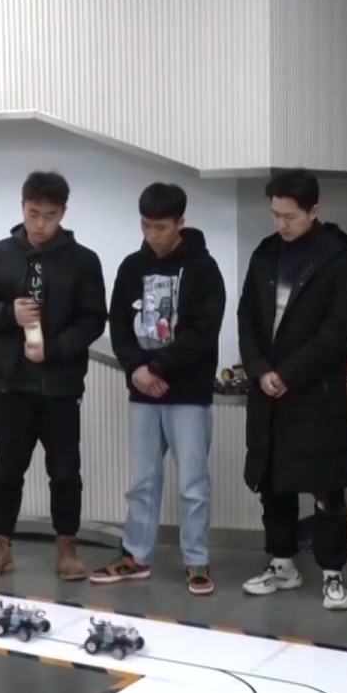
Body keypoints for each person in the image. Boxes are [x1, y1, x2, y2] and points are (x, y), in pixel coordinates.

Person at [0, 171, 109, 583]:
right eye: (33, 214)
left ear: (63, 212)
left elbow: (93, 319)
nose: (41, 224)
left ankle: (67, 548)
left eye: (50, 215)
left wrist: (56, 348)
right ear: (22, 207)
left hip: (61, 386)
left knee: (64, 472)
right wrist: (8, 314)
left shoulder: (84, 260)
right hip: (11, 384)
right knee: (6, 471)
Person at [236, 169, 347, 609]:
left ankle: (333, 572)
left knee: (326, 487)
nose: (281, 224)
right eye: (275, 215)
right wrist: (258, 369)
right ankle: (281, 563)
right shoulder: (265, 253)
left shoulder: (337, 259)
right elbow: (247, 318)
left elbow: (337, 330)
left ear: (314, 211)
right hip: (267, 390)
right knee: (273, 482)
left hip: (314, 392)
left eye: (290, 216)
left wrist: (288, 374)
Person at [95, 183, 227, 594]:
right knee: (143, 480)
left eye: (162, 227)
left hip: (188, 391)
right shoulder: (131, 267)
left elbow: (203, 332)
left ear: (180, 223)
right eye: (146, 226)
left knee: (192, 483)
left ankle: (196, 559)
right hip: (142, 390)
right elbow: (118, 323)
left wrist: (158, 365)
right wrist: (136, 368)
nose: (153, 235)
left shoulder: (204, 269)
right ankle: (136, 555)